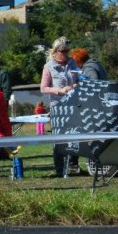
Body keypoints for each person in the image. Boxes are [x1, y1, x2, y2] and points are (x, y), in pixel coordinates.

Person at [40, 36, 79, 177]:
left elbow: (80, 79)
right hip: (57, 106)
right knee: (58, 138)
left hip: (73, 105)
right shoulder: (48, 67)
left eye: (67, 50)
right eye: (63, 51)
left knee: (74, 136)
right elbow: (43, 88)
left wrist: (75, 85)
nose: (66, 53)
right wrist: (59, 90)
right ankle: (59, 168)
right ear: (55, 51)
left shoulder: (72, 62)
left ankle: (73, 166)